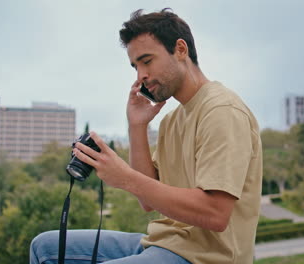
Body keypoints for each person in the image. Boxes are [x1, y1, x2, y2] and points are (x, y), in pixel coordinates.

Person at [30, 8, 262, 264]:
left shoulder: (221, 111)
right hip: (165, 243)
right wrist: (136, 126)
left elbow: (216, 214)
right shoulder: (172, 121)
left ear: (180, 50)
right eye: (135, 66)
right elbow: (147, 202)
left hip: (207, 258)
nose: (140, 76)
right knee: (45, 247)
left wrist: (125, 178)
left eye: (147, 61)